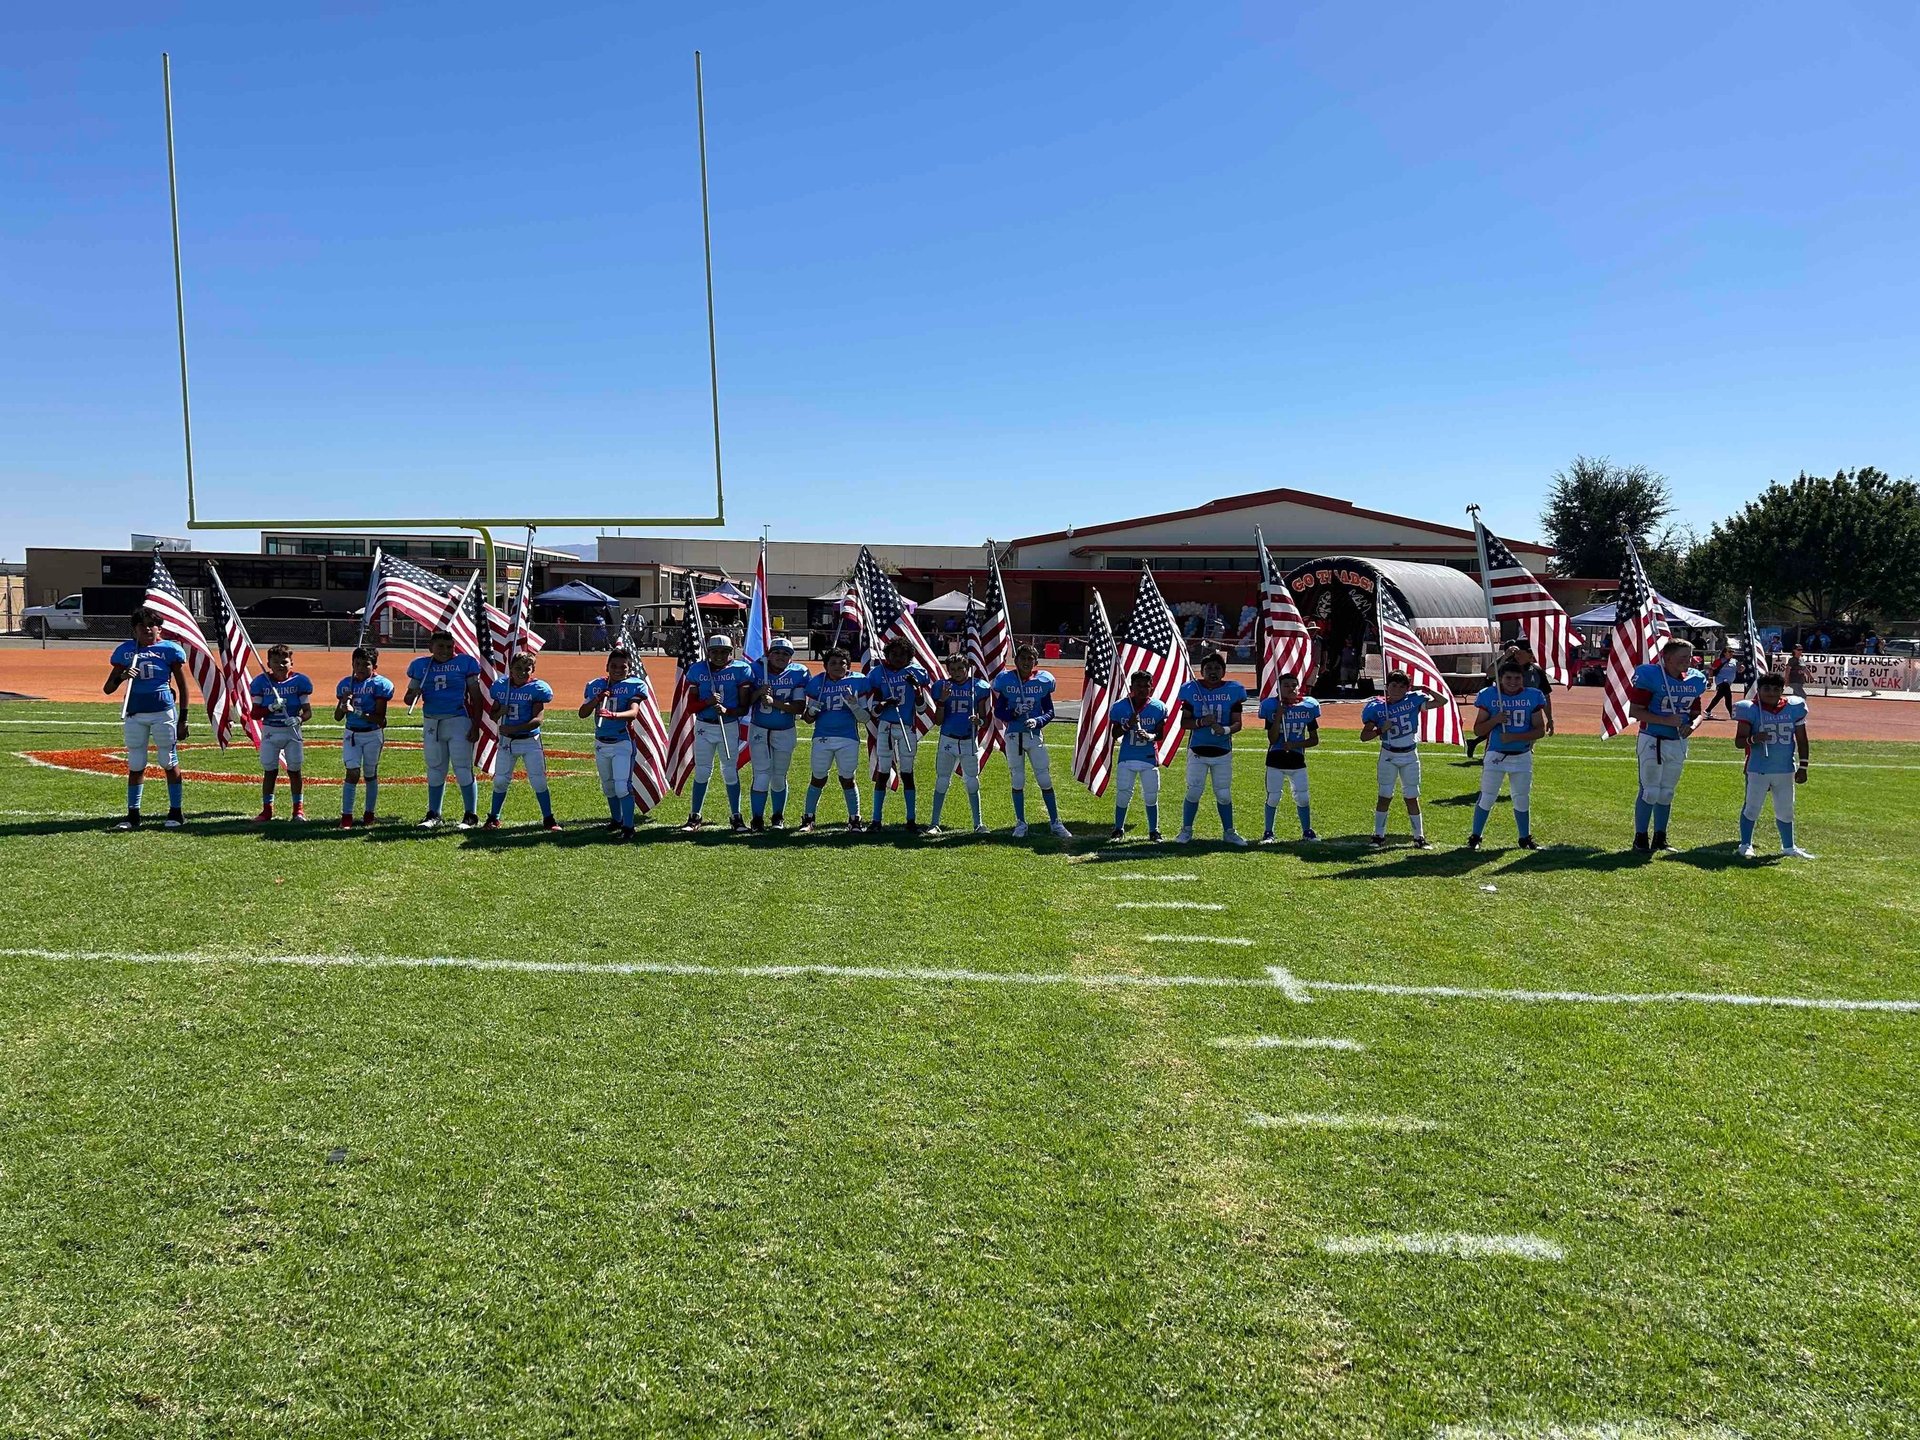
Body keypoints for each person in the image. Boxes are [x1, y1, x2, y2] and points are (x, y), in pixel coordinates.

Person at [104, 607, 190, 830]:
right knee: (136, 763)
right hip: (135, 713)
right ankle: (133, 814)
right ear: (134, 630)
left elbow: (181, 685)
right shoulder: (125, 652)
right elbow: (108, 688)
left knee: (168, 761)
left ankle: (176, 812)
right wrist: (123, 676)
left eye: (152, 625)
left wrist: (184, 718)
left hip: (163, 712)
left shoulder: (169, 650)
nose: (147, 630)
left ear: (159, 628)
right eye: (142, 626)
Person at [1626, 637, 1709, 852]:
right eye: (1682, 657)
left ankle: (1660, 838)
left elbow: (1696, 713)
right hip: (1653, 738)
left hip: (1677, 741)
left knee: (1667, 792)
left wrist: (1692, 725)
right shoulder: (1651, 675)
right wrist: (1665, 720)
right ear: (1667, 658)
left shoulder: (1695, 679)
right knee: (1650, 791)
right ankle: (1640, 838)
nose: (1688, 661)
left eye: (1689, 657)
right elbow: (1635, 710)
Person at [404, 628, 487, 830]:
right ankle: (434, 813)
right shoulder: (421, 666)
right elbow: (408, 699)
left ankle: (470, 814)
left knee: (462, 768)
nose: (445, 650)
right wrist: (414, 692)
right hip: (432, 722)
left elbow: (476, 698)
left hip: (458, 720)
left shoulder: (464, 663)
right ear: (430, 647)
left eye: (449, 646)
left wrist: (476, 726)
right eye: (440, 646)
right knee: (435, 769)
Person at [1466, 660, 1548, 850]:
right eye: (1508, 678)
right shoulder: (1489, 695)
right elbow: (1478, 730)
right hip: (1496, 754)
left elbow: (1539, 730)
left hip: (1521, 755)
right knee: (1487, 796)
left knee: (1521, 796)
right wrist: (1495, 719)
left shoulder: (1533, 696)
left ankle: (1524, 837)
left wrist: (1514, 736)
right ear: (1500, 679)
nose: (1513, 682)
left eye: (1517, 678)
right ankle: (1475, 836)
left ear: (1522, 679)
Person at [992, 643, 1072, 839]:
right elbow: (999, 711)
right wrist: (1012, 713)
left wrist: (1038, 720)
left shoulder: (1042, 681)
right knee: (1018, 780)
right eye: (1023, 658)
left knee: (1044, 779)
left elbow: (1050, 711)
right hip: (1013, 736)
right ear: (1016, 660)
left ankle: (1055, 822)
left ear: (1035, 662)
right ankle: (1021, 823)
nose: (1026, 662)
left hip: (1033, 736)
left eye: (1030, 659)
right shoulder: (1007, 680)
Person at [1733, 672, 1814, 859]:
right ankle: (1745, 844)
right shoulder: (1751, 709)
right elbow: (1739, 742)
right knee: (1752, 807)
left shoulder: (1794, 707)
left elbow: (1802, 739)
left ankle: (1789, 846)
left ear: (1782, 690)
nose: (1771, 693)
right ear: (1758, 690)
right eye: (1766, 689)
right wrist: (1754, 738)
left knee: (1786, 809)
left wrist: (1804, 766)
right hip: (1758, 767)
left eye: (1776, 689)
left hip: (1785, 767)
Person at [1174, 651, 1248, 845]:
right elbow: (1184, 722)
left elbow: (1237, 724)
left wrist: (1223, 730)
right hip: (1198, 750)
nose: (1213, 672)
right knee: (1193, 792)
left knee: (1223, 794)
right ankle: (1186, 830)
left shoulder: (1234, 690)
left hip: (1222, 751)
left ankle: (1229, 831)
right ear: (1201, 671)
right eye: (1208, 668)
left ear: (1224, 671)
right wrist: (1201, 722)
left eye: (1217, 668)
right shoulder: (1193, 689)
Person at [682, 633, 752, 832]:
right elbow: (691, 707)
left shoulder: (741, 670)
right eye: (715, 652)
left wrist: (727, 710)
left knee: (730, 771)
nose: (719, 655)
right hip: (704, 725)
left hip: (728, 725)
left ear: (731, 652)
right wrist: (708, 702)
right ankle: (695, 815)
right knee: (703, 770)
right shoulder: (698, 670)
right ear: (708, 652)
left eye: (724, 652)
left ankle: (736, 816)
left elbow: (744, 707)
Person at [1359, 670, 1437, 849]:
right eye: (1393, 685)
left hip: (1409, 755)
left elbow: (1442, 701)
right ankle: (1378, 835)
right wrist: (1380, 730)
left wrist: (1427, 689)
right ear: (1386, 687)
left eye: (1402, 686)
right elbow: (1364, 736)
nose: (1397, 689)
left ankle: (1419, 837)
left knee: (1412, 795)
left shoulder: (1412, 701)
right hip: (1389, 755)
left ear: (1407, 688)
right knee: (1385, 795)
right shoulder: (1377, 707)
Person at [580, 646, 650, 841]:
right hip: (601, 743)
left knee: (621, 787)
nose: (618, 670)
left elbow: (634, 712)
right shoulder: (596, 685)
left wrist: (613, 715)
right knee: (608, 786)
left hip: (622, 741)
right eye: (614, 666)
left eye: (623, 667)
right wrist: (597, 700)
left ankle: (629, 827)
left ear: (629, 669)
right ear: (607, 666)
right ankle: (616, 819)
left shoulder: (634, 685)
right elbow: (582, 713)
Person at [864, 637, 932, 834]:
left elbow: (921, 708)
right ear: (887, 655)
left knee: (907, 773)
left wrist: (917, 689)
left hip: (906, 727)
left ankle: (911, 819)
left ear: (910, 657)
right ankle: (876, 819)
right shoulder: (879, 673)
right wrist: (885, 703)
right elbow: (874, 710)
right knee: (883, 772)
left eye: (902, 655)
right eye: (894, 654)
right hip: (885, 726)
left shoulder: (916, 673)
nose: (898, 658)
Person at [484, 652, 559, 831]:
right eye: (518, 668)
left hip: (529, 741)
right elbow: (493, 714)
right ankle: (494, 817)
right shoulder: (502, 687)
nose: (523, 672)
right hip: (507, 742)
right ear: (510, 668)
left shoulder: (537, 688)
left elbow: (538, 719)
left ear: (533, 670)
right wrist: (499, 713)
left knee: (539, 781)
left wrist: (514, 729)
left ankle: (549, 819)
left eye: (527, 669)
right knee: (501, 780)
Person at [801, 647, 870, 832]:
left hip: (848, 737)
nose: (838, 666)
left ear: (848, 666)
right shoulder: (817, 683)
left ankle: (855, 819)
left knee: (848, 778)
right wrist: (811, 710)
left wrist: (854, 706)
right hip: (822, 737)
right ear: (825, 666)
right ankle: (808, 818)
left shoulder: (857, 681)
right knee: (818, 777)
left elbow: (865, 718)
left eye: (842, 663)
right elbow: (807, 720)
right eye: (833, 663)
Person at [746, 636, 809, 831]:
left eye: (786, 653)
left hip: (784, 729)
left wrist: (775, 703)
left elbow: (799, 707)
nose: (781, 656)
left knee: (779, 775)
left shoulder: (799, 673)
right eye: (777, 652)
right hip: (759, 728)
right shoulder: (755, 669)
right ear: (769, 654)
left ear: (791, 658)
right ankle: (757, 818)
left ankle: (777, 817)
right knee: (762, 775)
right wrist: (758, 693)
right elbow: (742, 701)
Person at [926, 651, 992, 836]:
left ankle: (978, 823)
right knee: (942, 781)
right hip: (948, 738)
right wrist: (942, 701)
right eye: (953, 669)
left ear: (968, 668)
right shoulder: (942, 686)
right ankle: (934, 823)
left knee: (972, 782)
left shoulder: (978, 686)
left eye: (960, 668)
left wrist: (977, 722)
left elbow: (984, 720)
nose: (957, 672)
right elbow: (938, 721)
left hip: (969, 740)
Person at [249, 644, 314, 823]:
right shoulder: (262, 682)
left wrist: (299, 719)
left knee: (295, 770)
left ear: (291, 662)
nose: (280, 665)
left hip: (291, 730)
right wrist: (270, 707)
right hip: (270, 730)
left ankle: (298, 810)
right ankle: (267, 809)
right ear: (269, 663)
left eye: (284, 661)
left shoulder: (299, 682)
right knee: (270, 771)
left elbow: (308, 712)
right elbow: (254, 714)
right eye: (275, 662)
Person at [1257, 672, 1320, 842]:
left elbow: (1314, 740)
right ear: (1278, 689)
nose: (1291, 688)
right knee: (1274, 796)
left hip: (1297, 759)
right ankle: (1268, 832)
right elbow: (1272, 738)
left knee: (1303, 796)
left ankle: (1307, 831)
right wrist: (1278, 715)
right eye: (1286, 685)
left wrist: (1294, 745)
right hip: (1275, 759)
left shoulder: (1308, 707)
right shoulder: (1271, 706)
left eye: (1294, 685)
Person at [1106, 670, 1169, 840]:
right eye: (1138, 686)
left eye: (1145, 686)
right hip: (1127, 756)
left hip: (1148, 757)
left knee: (1151, 794)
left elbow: (1160, 734)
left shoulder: (1158, 707)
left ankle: (1154, 830)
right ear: (1131, 687)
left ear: (1151, 688)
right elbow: (1115, 734)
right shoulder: (1121, 706)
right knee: (1123, 793)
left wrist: (1150, 736)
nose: (1141, 689)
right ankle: (1118, 828)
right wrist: (1128, 725)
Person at [334, 646, 392, 828]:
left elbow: (380, 719)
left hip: (372, 734)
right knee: (352, 772)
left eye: (365, 664)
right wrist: (343, 702)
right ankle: (346, 815)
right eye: (356, 664)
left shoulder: (380, 684)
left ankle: (369, 813)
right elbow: (337, 716)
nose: (359, 668)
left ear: (374, 666)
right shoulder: (346, 684)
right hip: (351, 733)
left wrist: (356, 711)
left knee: (369, 774)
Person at [1700, 648, 1739, 720]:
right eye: (1729, 652)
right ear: (1724, 653)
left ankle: (1708, 710)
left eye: (1732, 652)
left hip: (1728, 682)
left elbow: (1738, 670)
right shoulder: (1719, 661)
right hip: (1722, 681)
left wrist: (1742, 668)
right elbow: (1711, 669)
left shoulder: (1734, 661)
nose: (1731, 653)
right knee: (1728, 697)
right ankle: (1731, 714)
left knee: (1719, 696)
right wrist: (1710, 680)